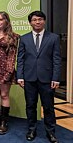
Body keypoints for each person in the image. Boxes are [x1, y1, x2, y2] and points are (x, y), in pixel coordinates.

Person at [17, 11, 61, 143]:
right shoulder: (24, 38)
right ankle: (31, 129)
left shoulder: (53, 38)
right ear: (30, 22)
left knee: (48, 107)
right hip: (29, 78)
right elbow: (20, 59)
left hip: (47, 79)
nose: (37, 22)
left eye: (40, 19)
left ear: (44, 21)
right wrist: (20, 76)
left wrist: (56, 78)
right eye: (34, 20)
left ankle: (51, 132)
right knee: (30, 106)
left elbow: (57, 59)